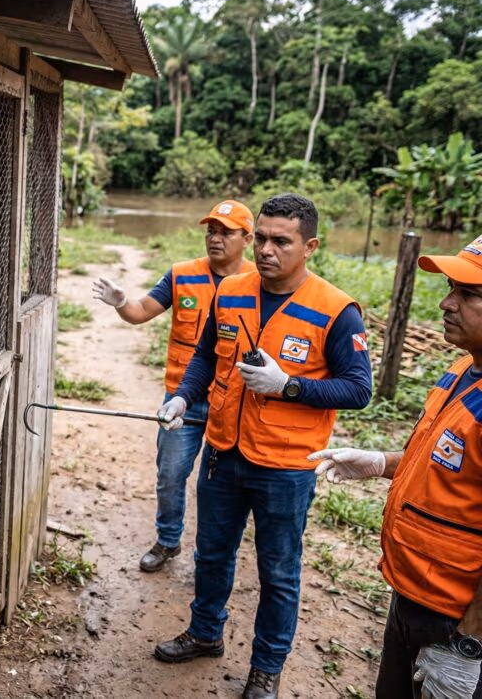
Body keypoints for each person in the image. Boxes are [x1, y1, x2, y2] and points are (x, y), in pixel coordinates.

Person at [151, 193, 373, 699]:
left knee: (278, 573)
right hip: (224, 449)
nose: (267, 250)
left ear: (309, 246)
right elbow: (207, 354)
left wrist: (288, 385)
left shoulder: (336, 310)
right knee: (211, 554)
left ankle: (267, 669)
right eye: (264, 239)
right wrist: (184, 398)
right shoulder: (230, 289)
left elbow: (359, 389)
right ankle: (205, 632)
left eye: (282, 241)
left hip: (286, 468)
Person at [311, 236, 482, 699]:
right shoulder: (463, 371)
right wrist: (380, 463)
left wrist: (469, 646)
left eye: (470, 294)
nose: (447, 304)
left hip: (457, 619)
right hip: (414, 593)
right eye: (451, 288)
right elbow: (445, 462)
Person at [91, 200, 255, 572]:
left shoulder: (258, 284)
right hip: (182, 399)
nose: (215, 238)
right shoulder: (182, 275)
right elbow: (140, 311)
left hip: (232, 402)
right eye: (210, 231)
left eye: (225, 232)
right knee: (170, 474)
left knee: (226, 483)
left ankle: (216, 552)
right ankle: (168, 541)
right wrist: (121, 303)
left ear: (247, 239)